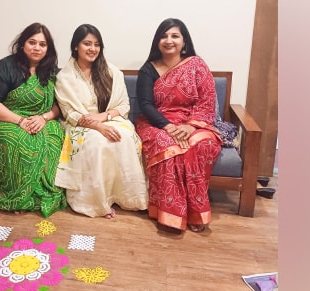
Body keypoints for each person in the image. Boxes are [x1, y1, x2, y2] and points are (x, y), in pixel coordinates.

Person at [135, 18, 222, 232]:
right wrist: (167, 126)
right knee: (168, 146)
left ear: (184, 41)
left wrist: (191, 126)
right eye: (164, 36)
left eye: (174, 36)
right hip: (157, 123)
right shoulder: (148, 70)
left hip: (194, 122)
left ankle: (195, 213)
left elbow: (207, 101)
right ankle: (170, 214)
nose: (168, 40)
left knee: (200, 146)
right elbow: (145, 105)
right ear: (157, 41)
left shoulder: (196, 65)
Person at [54, 24, 148, 219]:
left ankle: (127, 197)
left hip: (110, 118)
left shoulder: (112, 72)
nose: (92, 49)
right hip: (80, 125)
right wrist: (96, 125)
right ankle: (97, 202)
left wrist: (103, 118)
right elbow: (69, 113)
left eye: (97, 44)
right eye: (87, 43)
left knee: (124, 138)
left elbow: (123, 106)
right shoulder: (64, 77)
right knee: (97, 143)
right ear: (75, 47)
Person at [0, 22, 67, 218]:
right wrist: (20, 121)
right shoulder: (5, 66)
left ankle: (40, 195)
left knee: (53, 138)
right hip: (5, 119)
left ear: (48, 48)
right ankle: (14, 197)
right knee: (17, 142)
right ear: (22, 44)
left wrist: (44, 118)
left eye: (42, 44)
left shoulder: (52, 71)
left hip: (41, 118)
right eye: (32, 42)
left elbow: (59, 104)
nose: (37, 48)